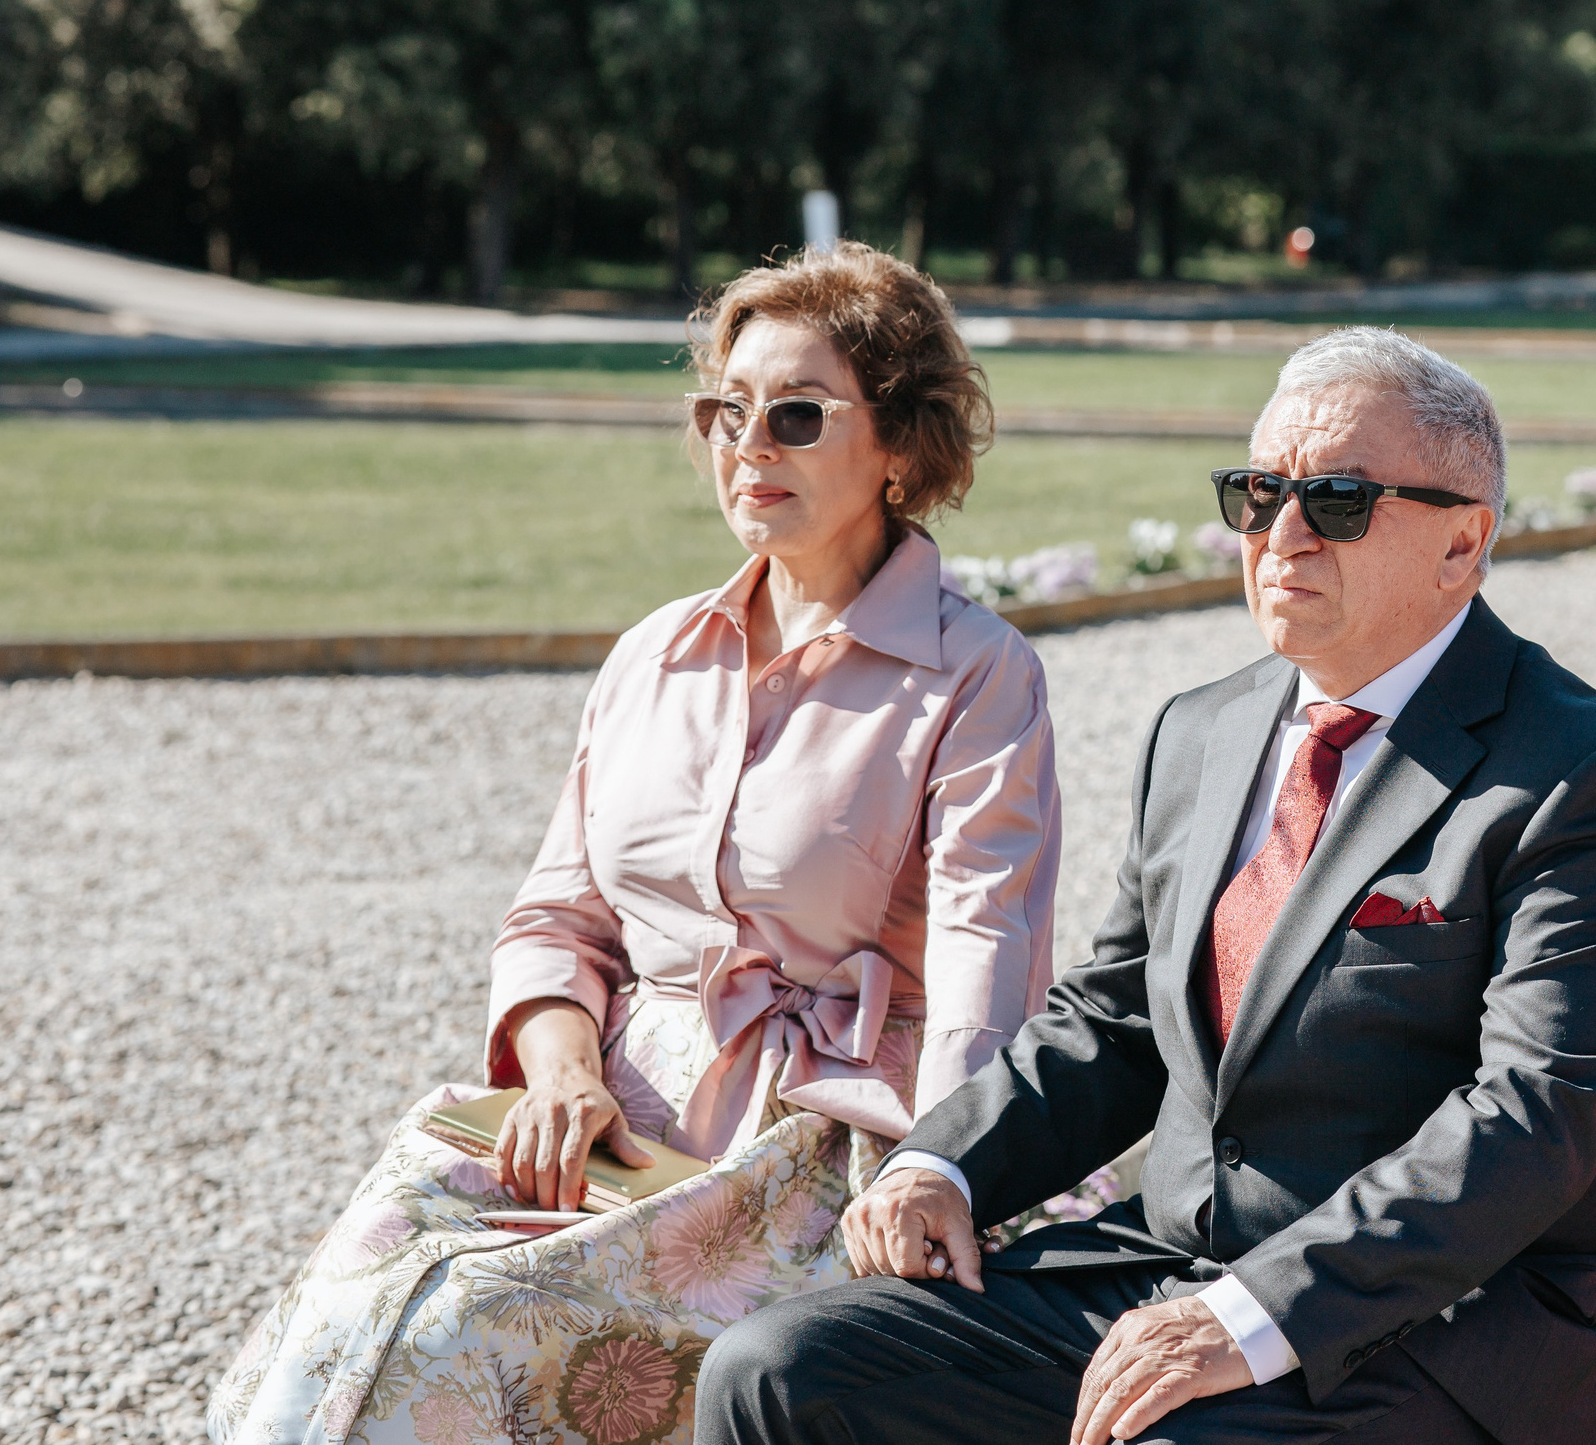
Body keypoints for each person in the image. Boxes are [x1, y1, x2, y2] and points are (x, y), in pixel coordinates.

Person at [694, 326, 1596, 1445]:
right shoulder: (1204, 729)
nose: (1283, 535)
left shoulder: (1586, 778)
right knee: (776, 1369)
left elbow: (1528, 1121)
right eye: (1260, 495)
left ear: (1463, 544)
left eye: (1341, 500)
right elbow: (1117, 1019)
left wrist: (1257, 1312)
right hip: (1161, 1275)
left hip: (1437, 1326)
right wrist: (944, 1165)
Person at [209, 243, 1063, 1444]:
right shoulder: (653, 654)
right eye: (726, 410)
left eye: (797, 415)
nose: (748, 444)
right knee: (347, 1306)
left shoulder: (980, 676)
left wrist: (943, 1168)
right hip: (605, 1112)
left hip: (820, 1144)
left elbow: (988, 956)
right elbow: (555, 920)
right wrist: (557, 1076)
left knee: (461, 1337)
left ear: (903, 445)